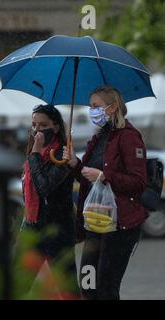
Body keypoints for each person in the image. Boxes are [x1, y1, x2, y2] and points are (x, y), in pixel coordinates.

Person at [64, 85, 148, 300]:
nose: (92, 110)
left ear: (112, 107)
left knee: (106, 289)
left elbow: (139, 181)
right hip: (95, 222)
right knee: (87, 284)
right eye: (90, 106)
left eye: (96, 106)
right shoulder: (99, 137)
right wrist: (75, 163)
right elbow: (86, 177)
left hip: (120, 226)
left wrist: (104, 176)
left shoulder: (129, 136)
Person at [18, 104, 79, 298]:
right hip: (32, 225)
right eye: (34, 124)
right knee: (18, 283)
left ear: (56, 127)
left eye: (43, 125)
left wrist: (35, 153)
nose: (37, 130)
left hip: (57, 228)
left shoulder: (62, 155)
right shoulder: (33, 153)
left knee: (66, 287)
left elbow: (44, 187)